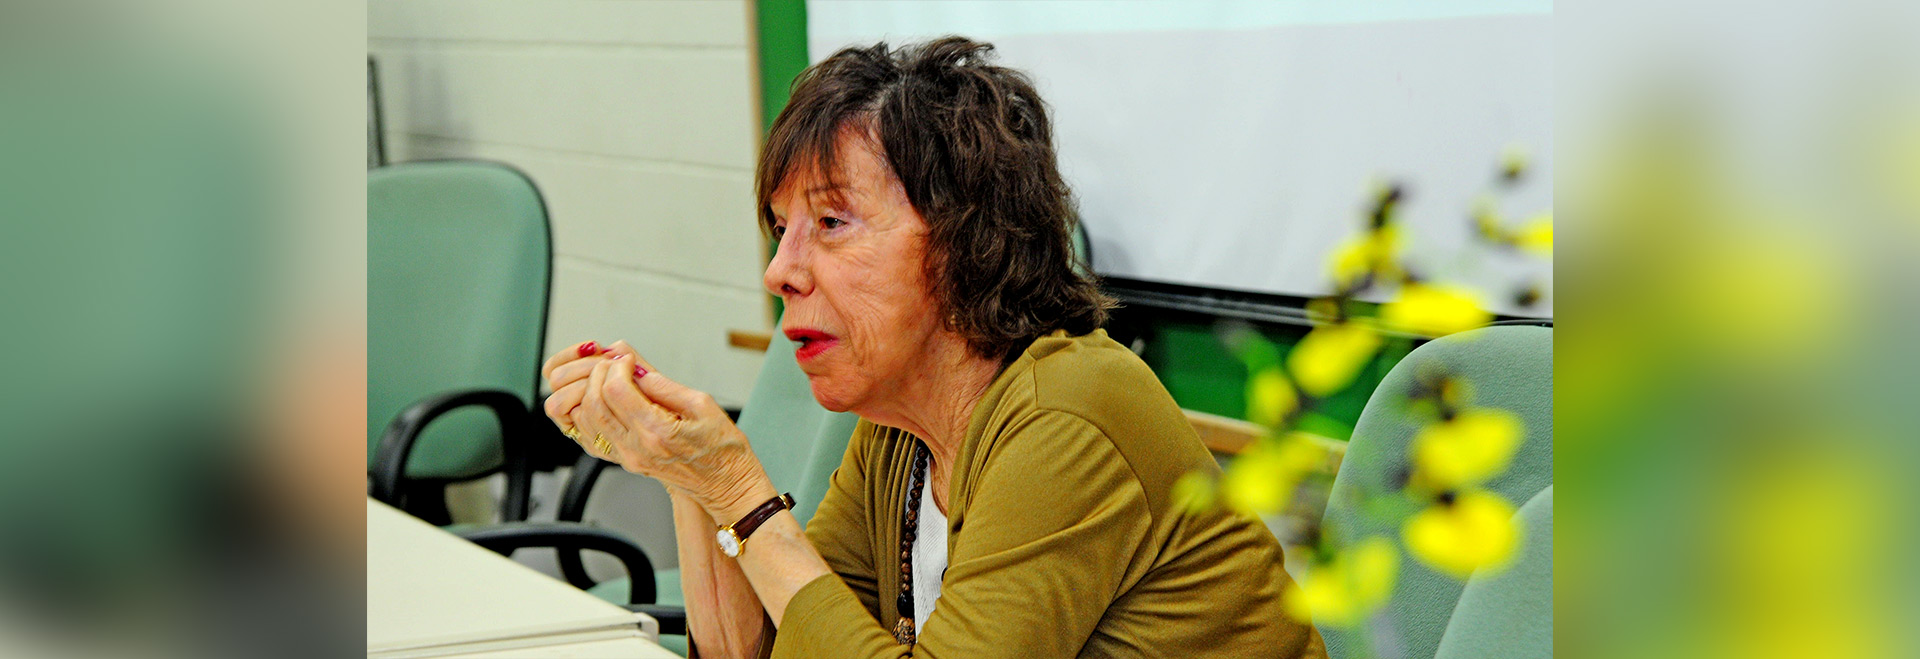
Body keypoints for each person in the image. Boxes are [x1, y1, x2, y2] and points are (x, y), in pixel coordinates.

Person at [541, 37, 1323, 658]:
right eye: (783, 231)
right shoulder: (900, 423)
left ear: (961, 242)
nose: (780, 269)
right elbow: (776, 647)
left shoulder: (1066, 415)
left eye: (832, 223)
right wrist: (687, 477)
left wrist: (739, 488)